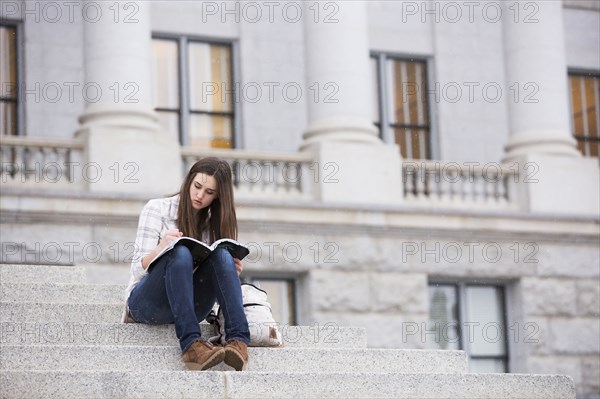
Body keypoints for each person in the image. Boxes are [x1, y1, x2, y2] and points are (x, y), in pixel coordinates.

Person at [123, 157, 250, 371]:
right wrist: (162, 247)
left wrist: (229, 269)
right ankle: (191, 345)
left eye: (209, 192)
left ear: (218, 196)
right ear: (188, 181)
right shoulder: (157, 209)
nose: (200, 195)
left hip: (191, 305)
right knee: (180, 252)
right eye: (197, 186)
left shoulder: (213, 224)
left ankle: (238, 341)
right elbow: (137, 268)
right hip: (147, 304)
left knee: (222, 255)